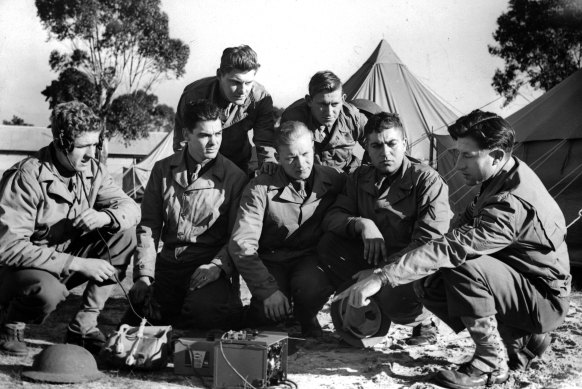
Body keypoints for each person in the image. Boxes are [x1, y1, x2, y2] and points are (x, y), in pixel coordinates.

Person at [334, 110, 571, 388]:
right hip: (521, 284)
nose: (458, 165)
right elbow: (458, 228)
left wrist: (381, 276)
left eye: (467, 156)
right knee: (430, 278)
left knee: (459, 263)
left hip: (544, 299)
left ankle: (490, 365)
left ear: (495, 155)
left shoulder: (508, 202)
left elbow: (455, 247)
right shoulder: (503, 173)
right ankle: (520, 338)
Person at [0, 101, 140, 356]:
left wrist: (104, 217)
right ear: (61, 142)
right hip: (20, 271)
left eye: (94, 144)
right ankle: (9, 324)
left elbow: (131, 208)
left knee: (124, 233)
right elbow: (8, 248)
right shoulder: (26, 176)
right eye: (83, 146)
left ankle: (83, 326)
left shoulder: (92, 170)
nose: (91, 154)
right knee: (47, 292)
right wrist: (78, 263)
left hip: (60, 262)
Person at [318, 112, 452, 346]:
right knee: (329, 245)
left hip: (409, 266)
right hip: (374, 257)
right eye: (376, 146)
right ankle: (369, 311)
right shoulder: (360, 177)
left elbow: (428, 244)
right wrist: (362, 224)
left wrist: (380, 273)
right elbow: (333, 217)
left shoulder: (427, 180)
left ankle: (423, 321)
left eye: (391, 144)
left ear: (404, 144)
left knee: (395, 300)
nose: (385, 152)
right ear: (367, 149)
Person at [129, 99, 248, 330]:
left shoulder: (235, 178)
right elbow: (149, 226)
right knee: (139, 317)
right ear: (187, 134)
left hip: (208, 268)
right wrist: (143, 276)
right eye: (205, 135)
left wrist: (217, 266)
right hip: (169, 265)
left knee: (201, 315)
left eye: (218, 133)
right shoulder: (162, 170)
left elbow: (238, 236)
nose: (214, 142)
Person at [228, 121, 345, 337]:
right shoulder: (259, 188)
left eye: (305, 154)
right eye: (291, 157)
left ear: (313, 146)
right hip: (272, 261)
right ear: (278, 158)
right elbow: (242, 243)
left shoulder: (333, 178)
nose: (301, 164)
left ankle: (305, 315)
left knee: (311, 287)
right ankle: (269, 311)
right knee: (266, 315)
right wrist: (267, 290)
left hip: (310, 259)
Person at [173, 45, 277, 176]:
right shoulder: (193, 95)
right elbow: (182, 142)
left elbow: (265, 142)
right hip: (199, 165)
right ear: (219, 75)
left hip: (239, 163)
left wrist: (269, 165)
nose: (242, 91)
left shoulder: (261, 98)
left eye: (248, 83)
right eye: (235, 82)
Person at [281, 71, 368, 174]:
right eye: (323, 104)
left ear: (343, 99)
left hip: (348, 177)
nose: (329, 112)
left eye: (335, 104)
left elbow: (375, 144)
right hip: (310, 179)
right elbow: (278, 152)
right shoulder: (293, 119)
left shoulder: (353, 117)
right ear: (309, 101)